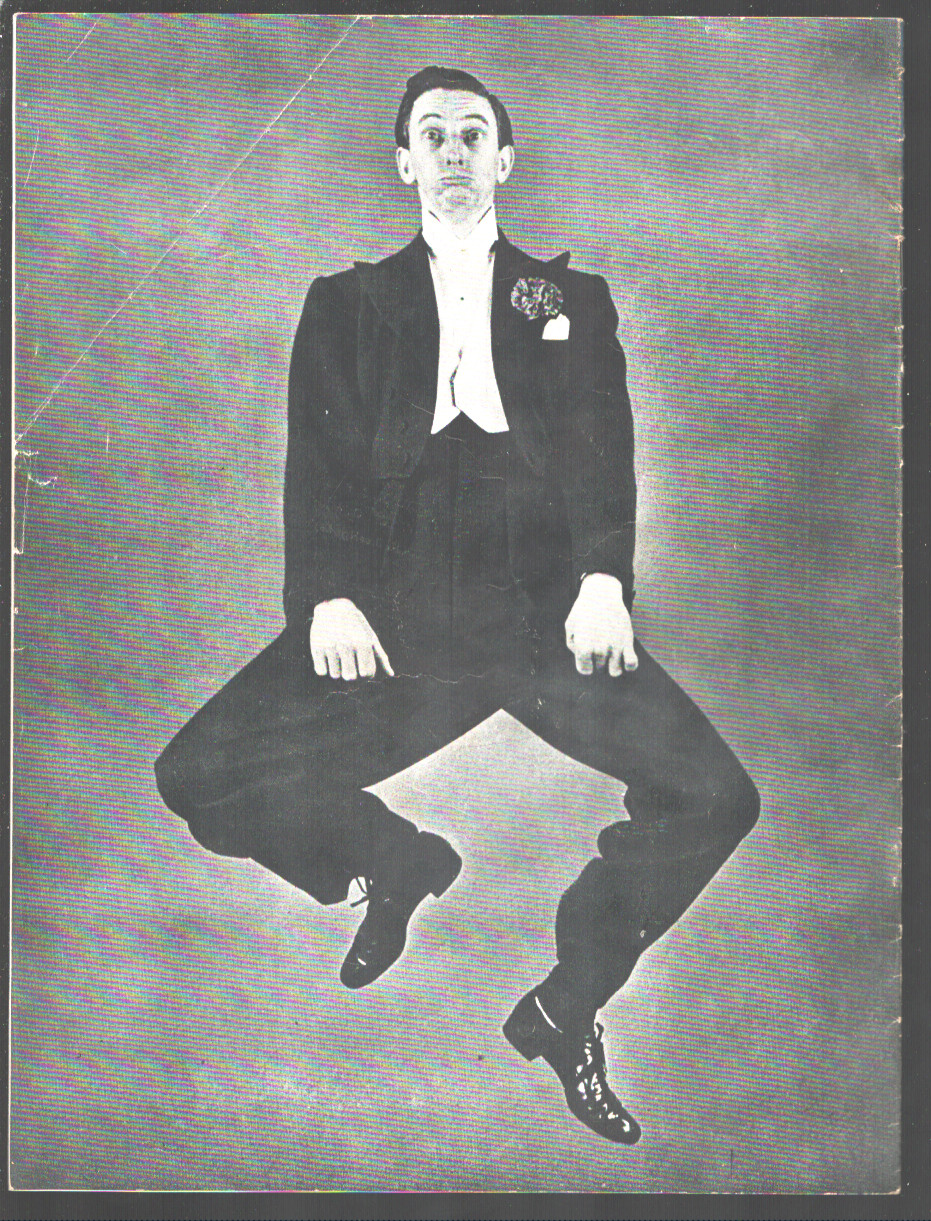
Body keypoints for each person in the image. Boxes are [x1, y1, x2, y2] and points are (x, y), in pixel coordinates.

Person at [154, 66, 759, 1145]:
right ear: (402, 163)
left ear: (504, 161)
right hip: (394, 615)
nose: (451, 151)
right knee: (197, 773)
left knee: (714, 795)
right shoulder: (345, 303)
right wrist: (327, 597)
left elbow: (602, 451)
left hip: (538, 611)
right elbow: (317, 467)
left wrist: (603, 582)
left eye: (472, 133)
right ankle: (390, 861)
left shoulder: (571, 301)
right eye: (429, 134)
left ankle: (567, 1007)